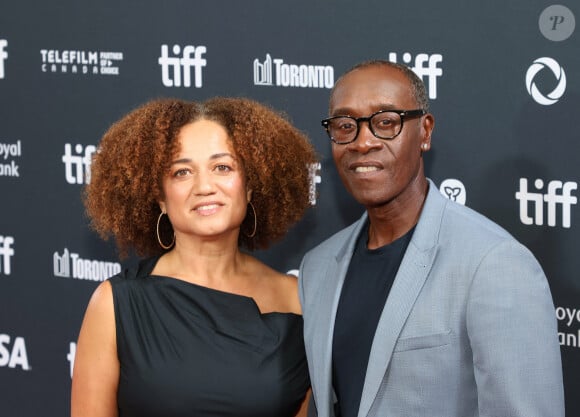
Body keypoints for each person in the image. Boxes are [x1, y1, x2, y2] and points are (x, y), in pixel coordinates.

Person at [299, 60, 565, 417]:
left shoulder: (493, 264)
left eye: (386, 122)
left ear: (424, 132)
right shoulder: (317, 267)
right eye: (345, 126)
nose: (362, 142)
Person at [71, 97, 317, 417]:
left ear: (251, 187)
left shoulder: (294, 299)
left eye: (222, 167)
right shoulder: (116, 304)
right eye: (182, 172)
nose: (204, 186)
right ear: (160, 197)